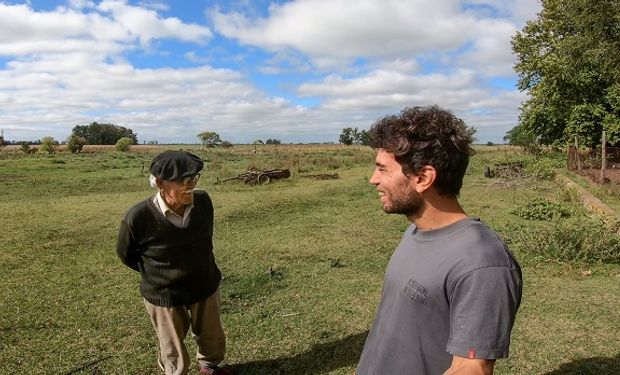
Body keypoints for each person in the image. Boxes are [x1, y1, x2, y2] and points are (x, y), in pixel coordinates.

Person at [356, 105, 522, 375]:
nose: (373, 180)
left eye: (383, 170)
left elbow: (471, 368)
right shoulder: (415, 231)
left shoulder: (482, 264)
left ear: (423, 178)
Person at [117, 150, 232, 375]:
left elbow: (205, 237)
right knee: (172, 347)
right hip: (165, 293)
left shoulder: (203, 202)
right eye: (184, 179)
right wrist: (160, 274)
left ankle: (209, 367)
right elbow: (126, 254)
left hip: (204, 284)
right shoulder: (137, 217)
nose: (191, 184)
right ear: (160, 182)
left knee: (212, 335)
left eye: (194, 178)